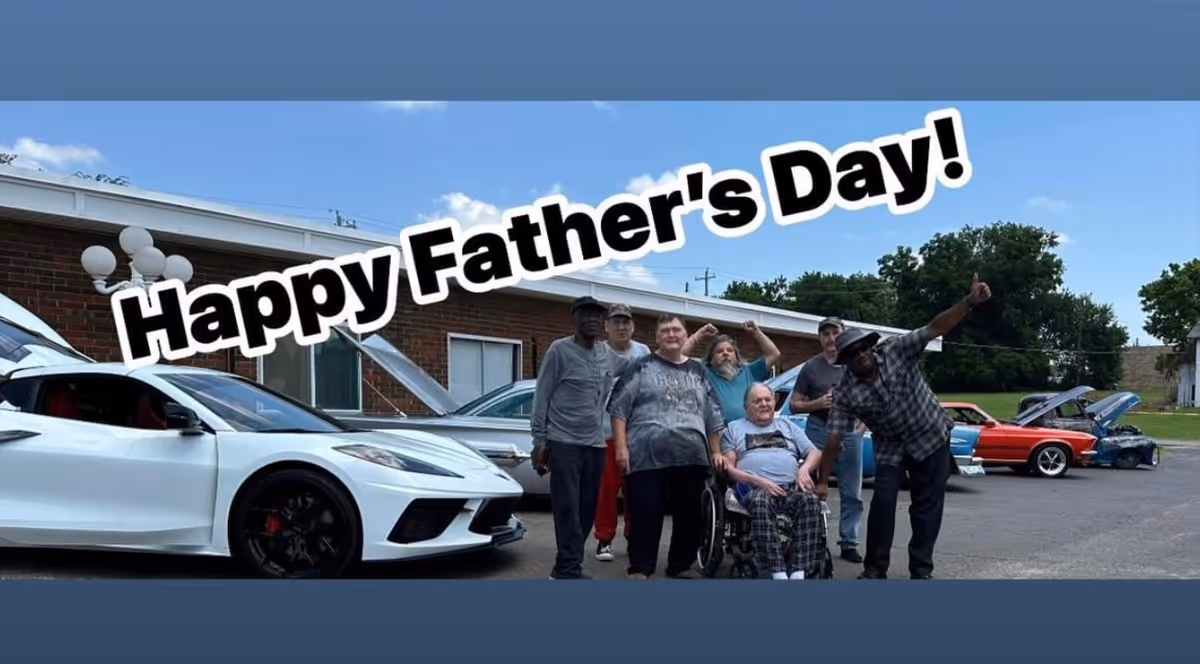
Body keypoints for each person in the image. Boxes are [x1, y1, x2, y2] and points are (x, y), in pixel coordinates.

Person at [819, 274, 992, 580]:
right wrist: (822, 481)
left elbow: (934, 328)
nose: (860, 356)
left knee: (926, 505)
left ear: (871, 347)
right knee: (883, 501)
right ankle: (874, 568)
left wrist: (969, 303)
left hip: (931, 436)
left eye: (863, 349)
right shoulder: (845, 391)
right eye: (852, 355)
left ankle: (921, 569)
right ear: (845, 362)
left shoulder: (897, 349)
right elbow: (834, 437)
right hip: (890, 444)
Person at [608, 313, 727, 580]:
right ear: (657, 337)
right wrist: (621, 447)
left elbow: (713, 415)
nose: (671, 334)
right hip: (645, 453)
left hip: (692, 455)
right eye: (665, 331)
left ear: (685, 335)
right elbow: (618, 408)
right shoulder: (641, 366)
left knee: (689, 514)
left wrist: (716, 451)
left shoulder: (698, 371)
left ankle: (681, 565)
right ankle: (640, 566)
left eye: (676, 330)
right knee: (645, 511)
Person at [530, 295, 630, 580]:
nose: (592, 320)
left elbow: (637, 367)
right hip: (564, 443)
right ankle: (568, 568)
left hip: (595, 445)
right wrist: (539, 441)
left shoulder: (606, 354)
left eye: (597, 316)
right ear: (574, 319)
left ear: (603, 323)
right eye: (585, 315)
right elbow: (542, 395)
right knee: (567, 510)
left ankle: (567, 566)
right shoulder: (558, 351)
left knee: (587, 510)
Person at [722, 383, 825, 580]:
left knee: (811, 502)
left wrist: (804, 470)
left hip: (790, 487)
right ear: (746, 406)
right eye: (757, 401)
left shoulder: (787, 426)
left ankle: (798, 572)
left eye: (767, 400)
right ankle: (777, 572)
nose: (764, 404)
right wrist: (757, 480)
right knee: (761, 501)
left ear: (774, 402)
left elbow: (814, 452)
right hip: (752, 487)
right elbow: (729, 468)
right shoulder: (734, 429)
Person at [788, 316, 865, 563]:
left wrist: (860, 428)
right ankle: (808, 536)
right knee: (809, 486)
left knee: (852, 490)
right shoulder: (811, 367)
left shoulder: (855, 362)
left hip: (850, 431)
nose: (831, 338)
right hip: (819, 428)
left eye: (835, 333)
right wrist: (817, 403)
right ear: (819, 338)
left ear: (842, 335)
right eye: (826, 334)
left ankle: (849, 542)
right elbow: (794, 404)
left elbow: (870, 397)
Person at [593, 303, 652, 562]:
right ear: (606, 327)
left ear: (632, 326)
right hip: (604, 434)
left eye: (626, 322)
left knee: (636, 490)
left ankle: (633, 538)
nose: (621, 326)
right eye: (615, 322)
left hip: (638, 435)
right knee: (606, 491)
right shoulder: (597, 352)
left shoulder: (643, 351)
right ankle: (604, 539)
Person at [684, 320, 781, 423]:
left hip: (748, 435)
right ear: (711, 360)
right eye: (719, 351)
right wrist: (699, 335)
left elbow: (774, 354)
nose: (725, 353)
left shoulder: (750, 371)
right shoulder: (704, 373)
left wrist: (756, 332)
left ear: (736, 356)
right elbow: (678, 357)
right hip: (717, 436)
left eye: (730, 350)